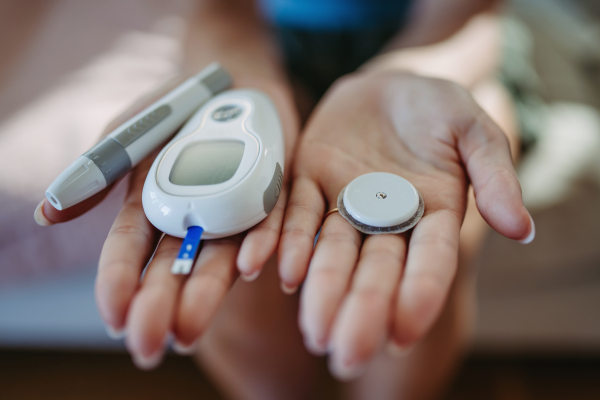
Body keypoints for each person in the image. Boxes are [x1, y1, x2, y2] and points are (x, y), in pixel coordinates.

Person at [34, 0, 534, 398]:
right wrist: (244, 75)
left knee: (432, 252)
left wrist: (412, 72)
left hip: (432, 61)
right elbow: (219, 10)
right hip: (271, 54)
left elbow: (467, 14)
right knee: (239, 289)